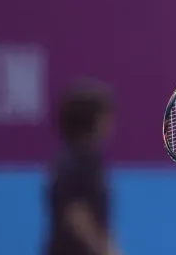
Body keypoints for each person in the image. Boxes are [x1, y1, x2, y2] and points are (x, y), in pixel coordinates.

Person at [44, 80, 120, 255]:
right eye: (106, 116)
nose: (111, 123)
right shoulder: (82, 160)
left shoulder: (68, 159)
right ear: (94, 120)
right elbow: (76, 214)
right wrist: (105, 250)